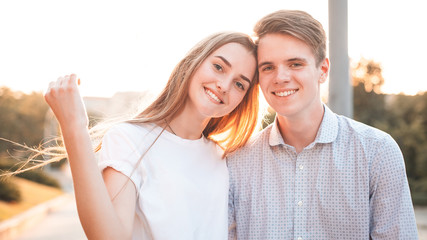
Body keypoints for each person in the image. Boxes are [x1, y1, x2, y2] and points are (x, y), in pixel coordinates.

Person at [42, 32, 259, 239]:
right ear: (193, 61)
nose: (224, 85)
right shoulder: (130, 140)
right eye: (218, 67)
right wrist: (74, 128)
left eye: (239, 84)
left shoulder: (224, 159)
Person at [227, 10, 418, 239]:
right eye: (268, 67)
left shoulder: (377, 153)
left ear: (323, 70)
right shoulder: (236, 161)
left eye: (295, 64)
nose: (281, 77)